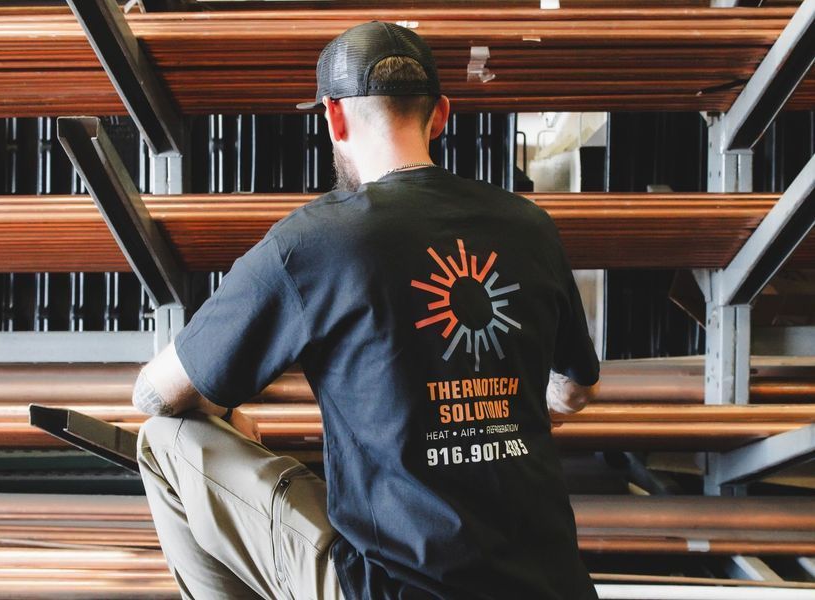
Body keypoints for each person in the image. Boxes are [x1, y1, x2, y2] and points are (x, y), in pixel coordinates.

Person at [133, 20, 600, 600]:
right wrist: (491, 417)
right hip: (554, 587)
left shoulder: (313, 243)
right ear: (440, 115)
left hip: (393, 590)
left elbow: (154, 394)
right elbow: (575, 390)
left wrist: (224, 418)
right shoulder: (531, 226)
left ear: (333, 116)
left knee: (163, 440)